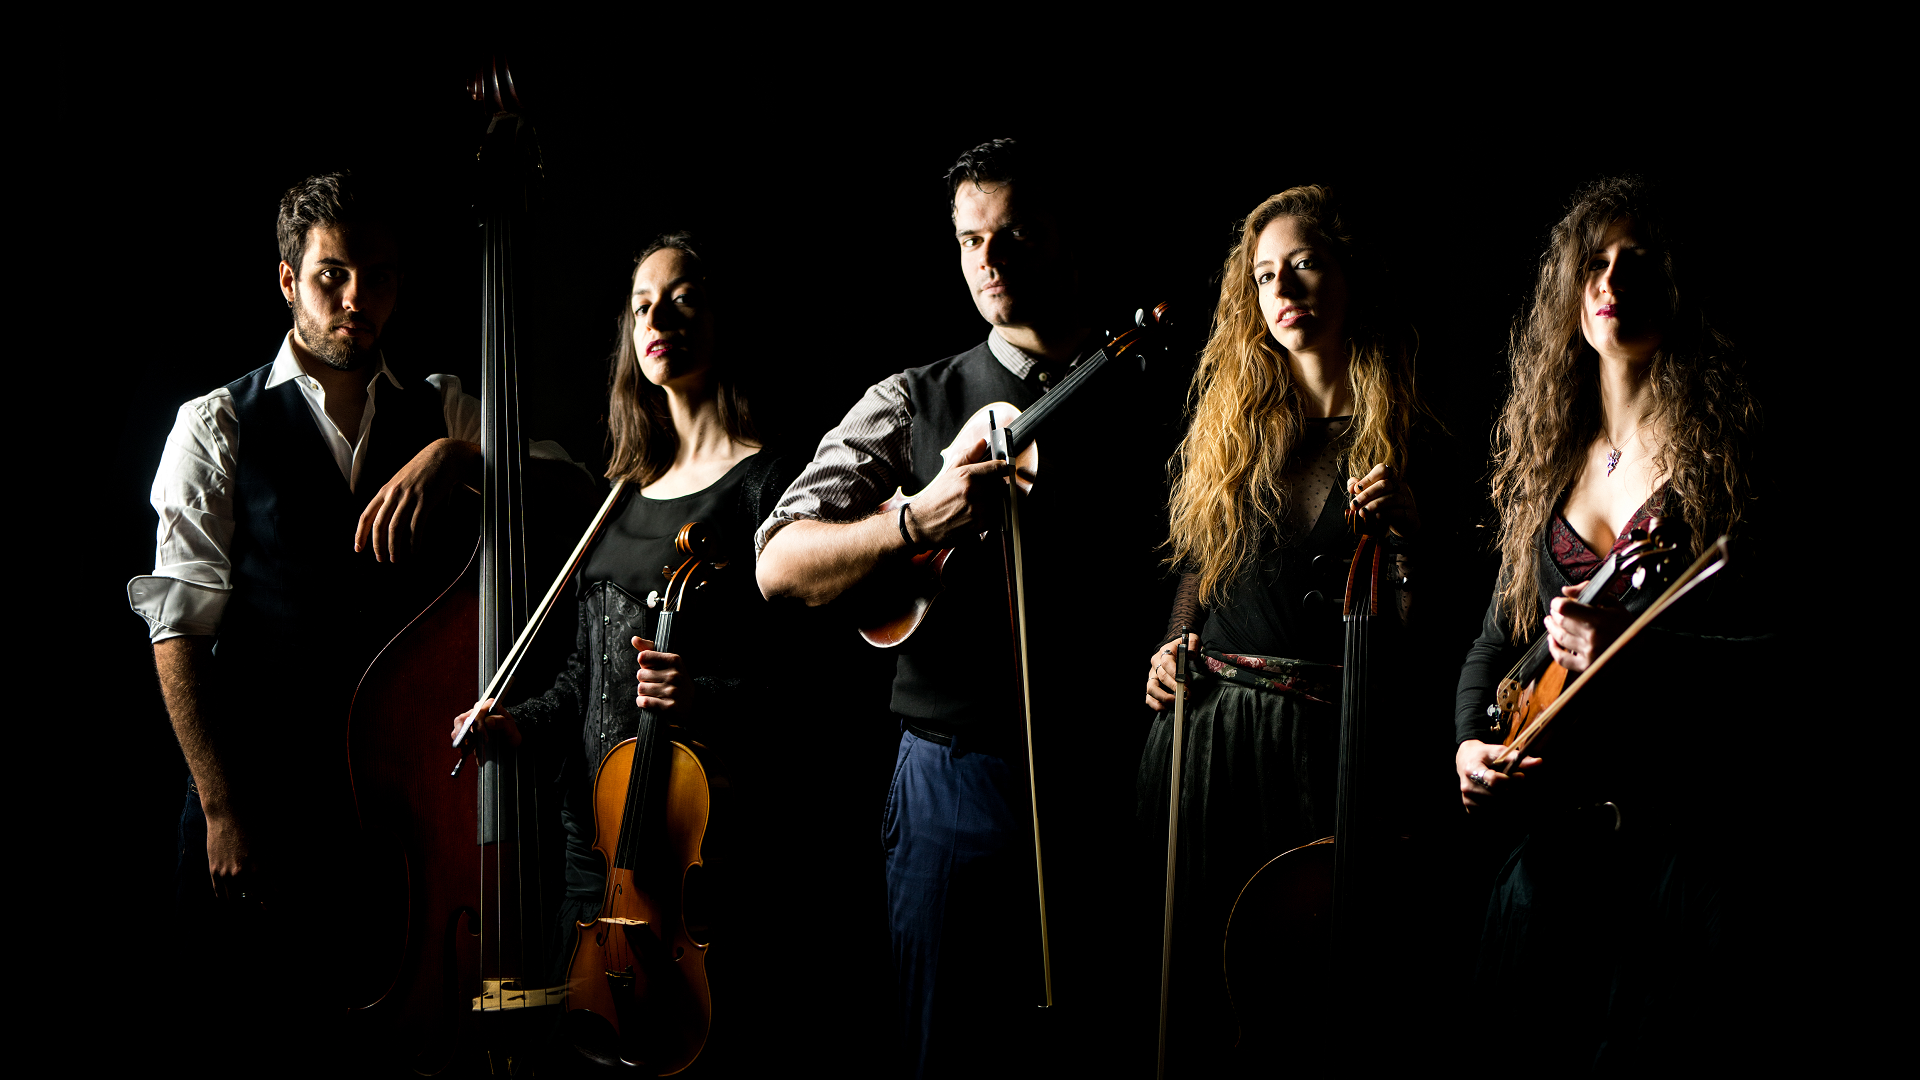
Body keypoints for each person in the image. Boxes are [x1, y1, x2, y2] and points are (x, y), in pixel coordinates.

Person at [755, 139, 1168, 1077]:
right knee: (947, 1060)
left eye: (1014, 235)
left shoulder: (1143, 392)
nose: (991, 260)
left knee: (1098, 1045)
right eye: (970, 240)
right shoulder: (910, 401)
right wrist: (911, 520)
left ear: (1062, 239)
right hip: (952, 782)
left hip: (1110, 775)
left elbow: (1196, 556)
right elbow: (777, 563)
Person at [129, 171, 487, 1067]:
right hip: (261, 801)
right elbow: (178, 632)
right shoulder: (217, 423)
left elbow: (563, 482)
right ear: (288, 280)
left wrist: (456, 456)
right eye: (333, 274)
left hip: (393, 810)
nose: (357, 298)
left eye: (379, 275)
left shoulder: (444, 408)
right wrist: (220, 807)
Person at [455, 233, 803, 1072]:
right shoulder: (620, 489)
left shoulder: (770, 484)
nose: (659, 319)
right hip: (595, 856)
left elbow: (806, 688)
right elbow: (581, 679)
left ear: (720, 314)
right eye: (643, 306)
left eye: (682, 298)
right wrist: (515, 724)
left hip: (700, 855)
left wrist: (705, 697)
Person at [1451, 176, 1768, 1070]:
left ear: (1675, 286)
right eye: (1595, 262)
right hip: (1551, 854)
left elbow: (1772, 660)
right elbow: (1490, 639)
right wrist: (1466, 745)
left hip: (1678, 848)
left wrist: (1638, 656)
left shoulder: (1723, 464)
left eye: (1638, 262)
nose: (1611, 279)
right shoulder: (1556, 457)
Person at [1136, 185, 1438, 1068]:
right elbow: (1199, 566)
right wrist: (1167, 644)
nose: (1285, 288)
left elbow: (1418, 627)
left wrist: (1411, 533)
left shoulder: (1407, 437)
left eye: (1304, 264)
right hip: (1209, 740)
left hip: (1323, 748)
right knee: (1195, 995)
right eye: (1267, 275)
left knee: (1304, 999)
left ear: (1347, 276)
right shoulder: (1236, 430)